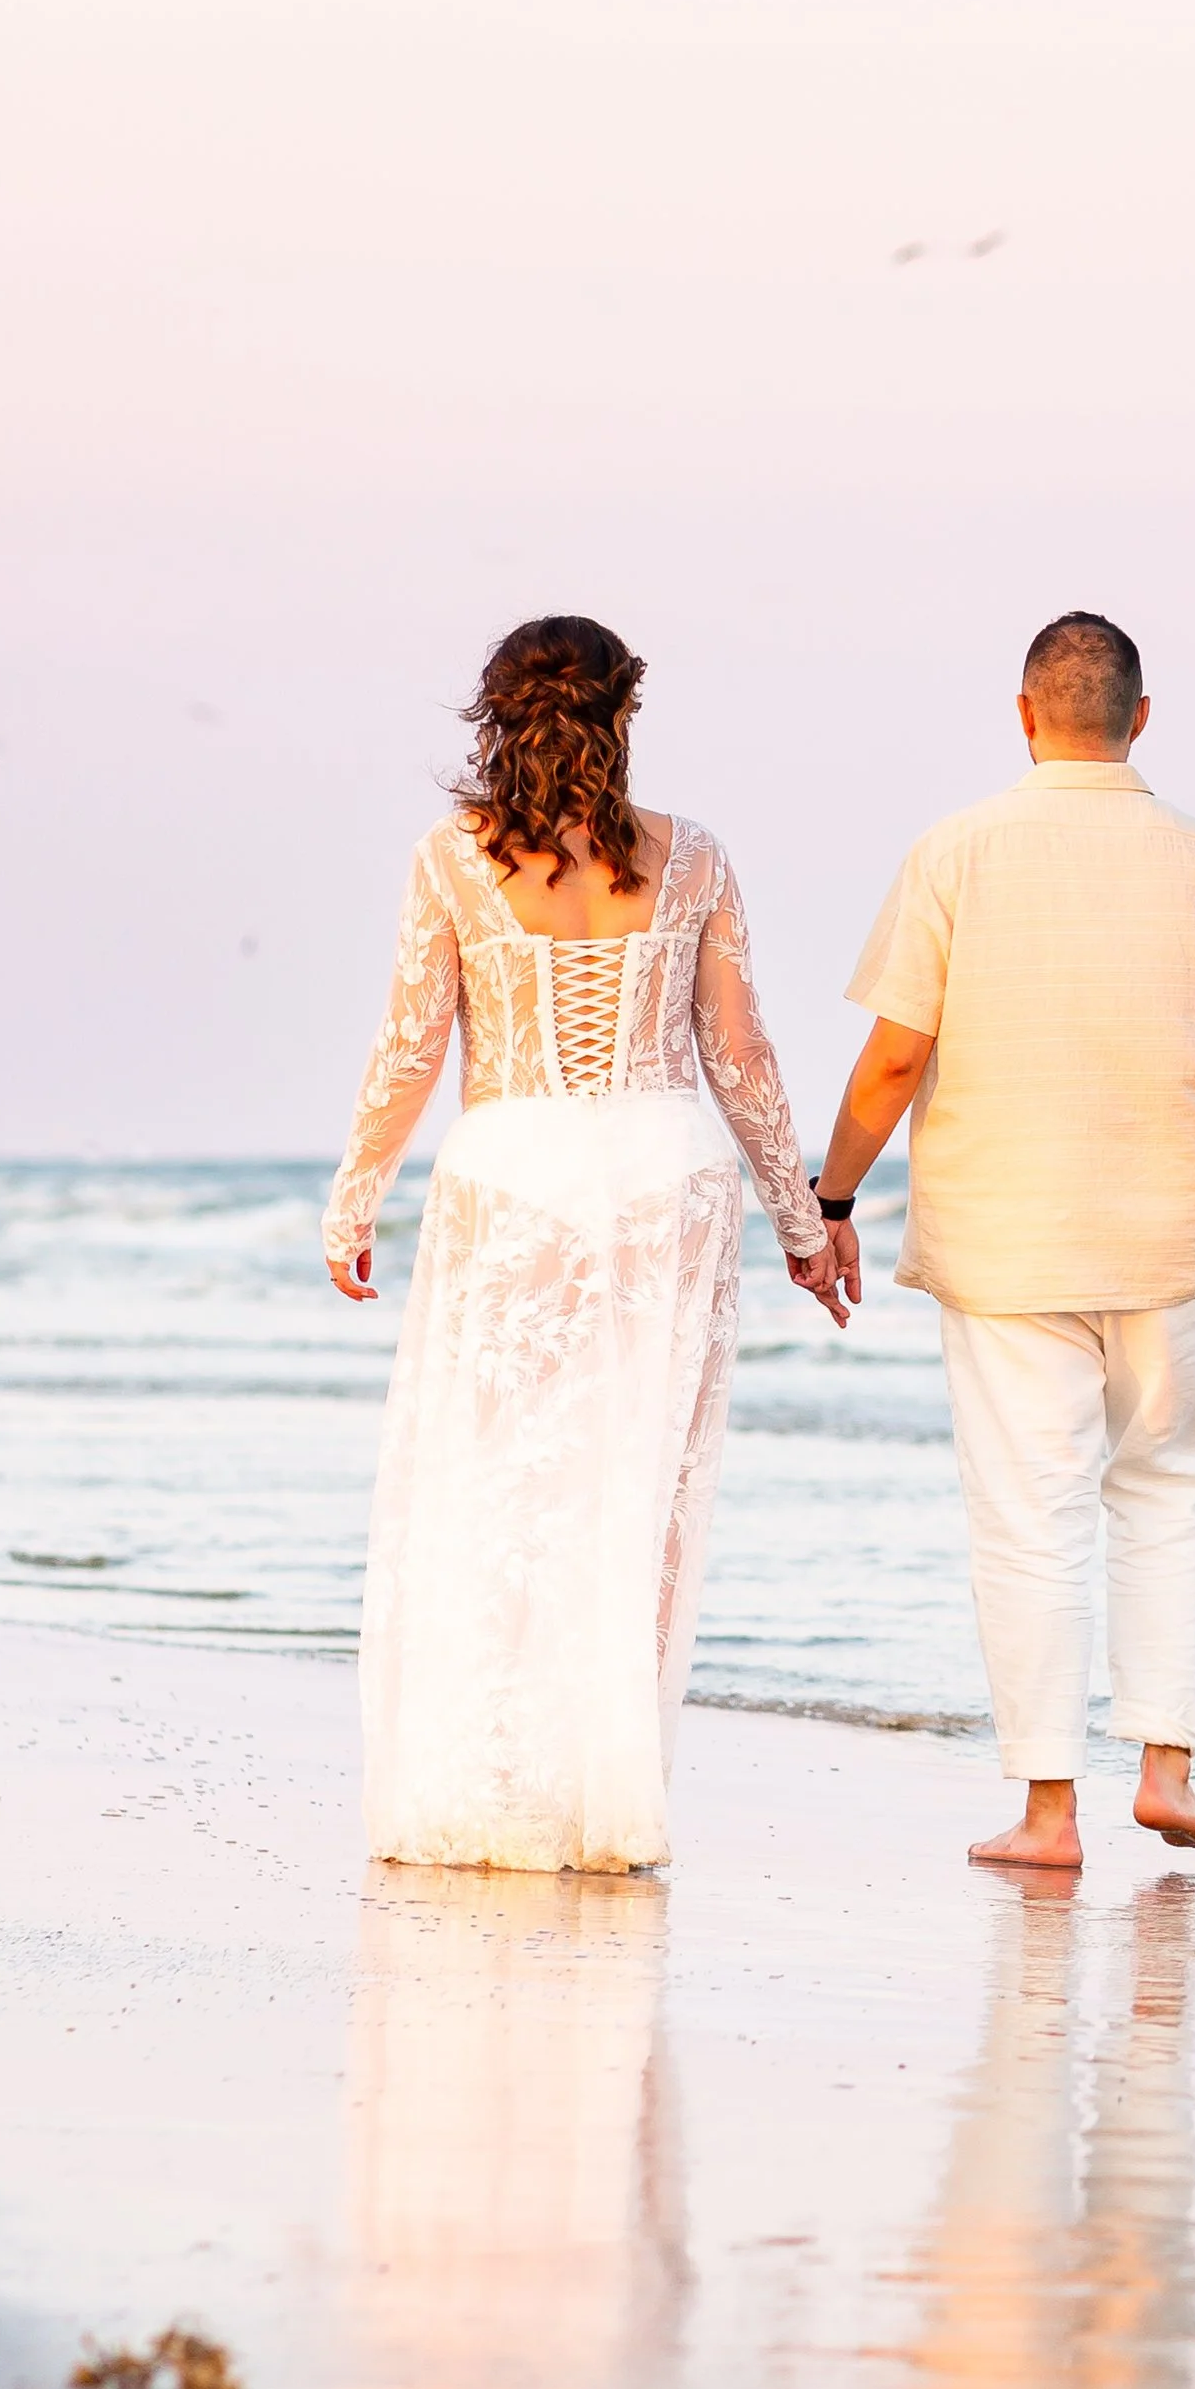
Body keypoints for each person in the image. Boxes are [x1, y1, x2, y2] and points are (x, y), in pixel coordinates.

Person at [323, 616, 841, 1874]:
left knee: (496, 1480)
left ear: (497, 717)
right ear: (625, 713)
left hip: (514, 1176)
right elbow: (742, 1054)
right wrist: (803, 1220)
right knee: (640, 1493)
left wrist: (354, 1198)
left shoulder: (452, 860)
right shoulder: (695, 856)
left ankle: (491, 1783)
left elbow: (411, 1047)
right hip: (667, 1176)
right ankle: (612, 1804)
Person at [811, 612, 1195, 1872]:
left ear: (1025, 717)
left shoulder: (956, 853)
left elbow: (898, 1054)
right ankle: (1168, 1770)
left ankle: (1046, 1817)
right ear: (1140, 717)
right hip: (1175, 1235)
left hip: (1005, 1240)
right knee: (1166, 1495)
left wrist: (831, 1200)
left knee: (1029, 1519)